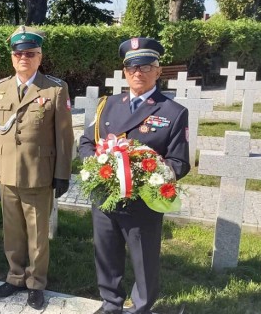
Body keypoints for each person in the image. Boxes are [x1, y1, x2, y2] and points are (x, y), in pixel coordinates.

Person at [78, 37, 191, 314]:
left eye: (145, 66)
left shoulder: (173, 112)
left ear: (157, 70)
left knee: (144, 259)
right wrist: (96, 167)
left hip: (143, 201)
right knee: (106, 254)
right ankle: (110, 304)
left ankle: (141, 307)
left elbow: (179, 161)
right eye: (131, 67)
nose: (137, 73)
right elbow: (85, 142)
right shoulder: (108, 105)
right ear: (125, 71)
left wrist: (149, 174)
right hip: (105, 196)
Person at [0, 26, 74, 309]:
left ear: (39, 57)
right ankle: (15, 276)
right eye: (19, 53)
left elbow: (64, 135)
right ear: (12, 58)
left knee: (37, 235)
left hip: (39, 174)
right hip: (7, 173)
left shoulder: (55, 89)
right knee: (12, 232)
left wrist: (62, 174)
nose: (24, 58)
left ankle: (36, 283)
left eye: (30, 53)